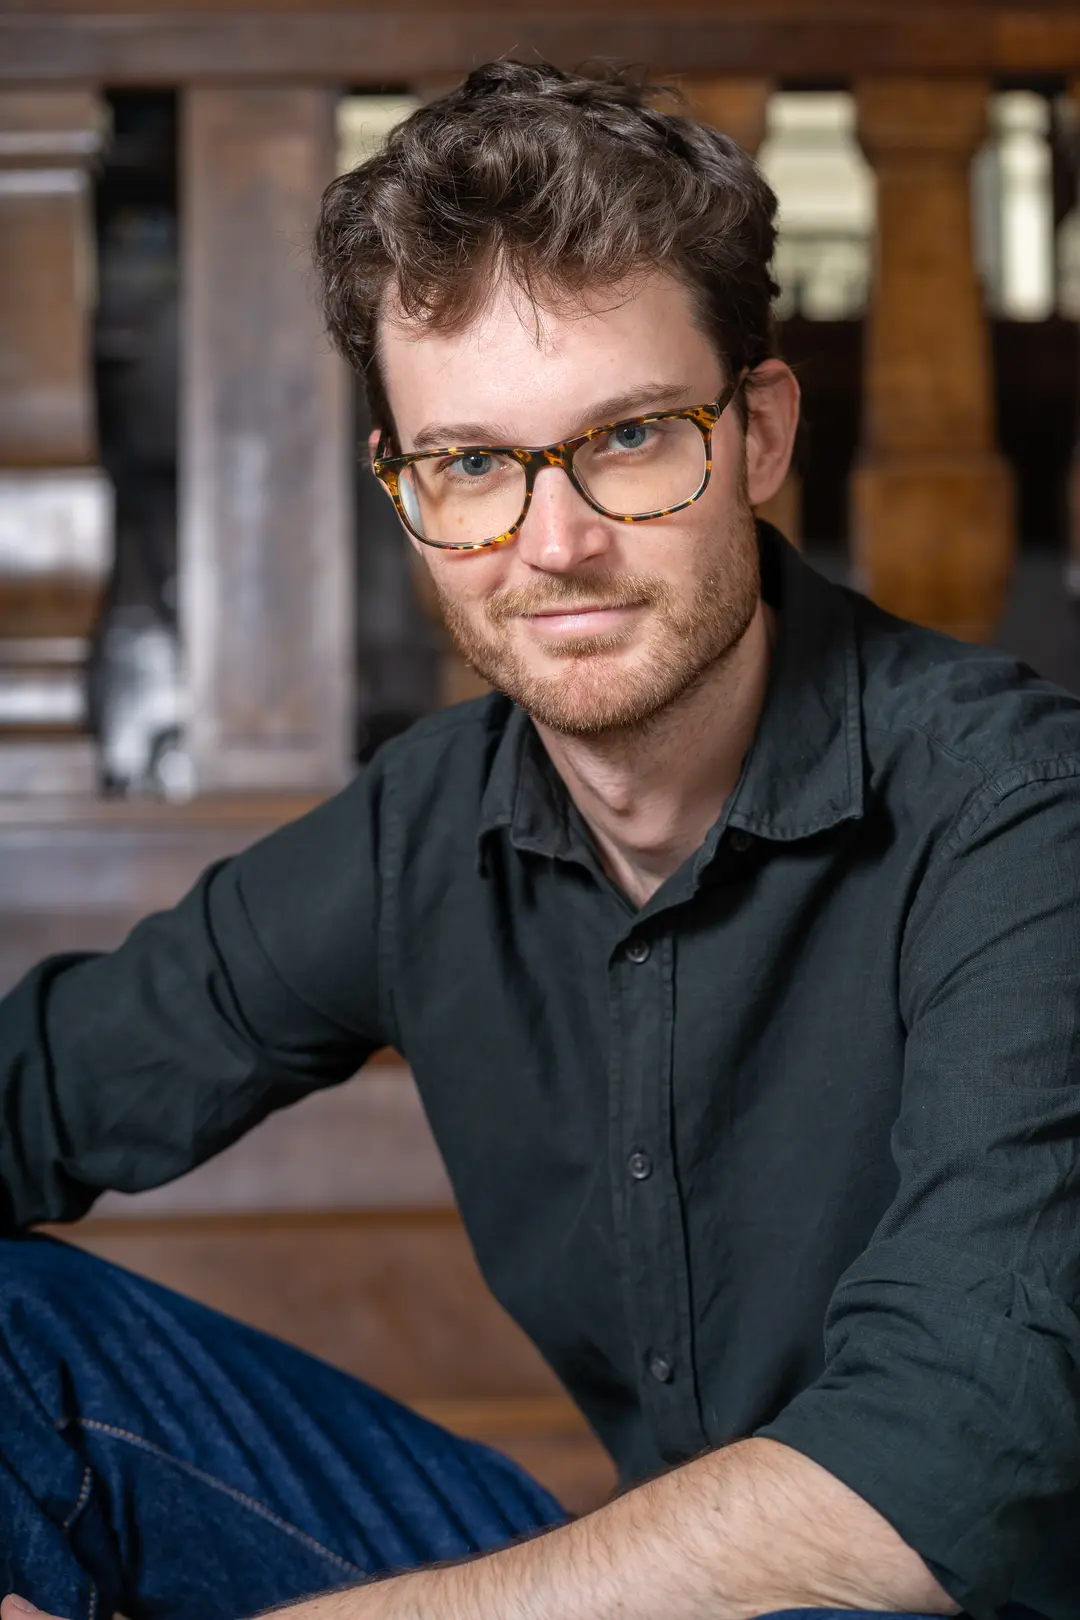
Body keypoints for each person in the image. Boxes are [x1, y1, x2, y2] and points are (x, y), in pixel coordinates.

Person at [0, 57, 1077, 1620]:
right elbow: (36, 1089)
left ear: (760, 432)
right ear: (406, 488)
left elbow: (939, 1478)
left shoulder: (1020, 818)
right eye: (472, 464)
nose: (552, 544)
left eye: (630, 437)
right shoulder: (428, 825)